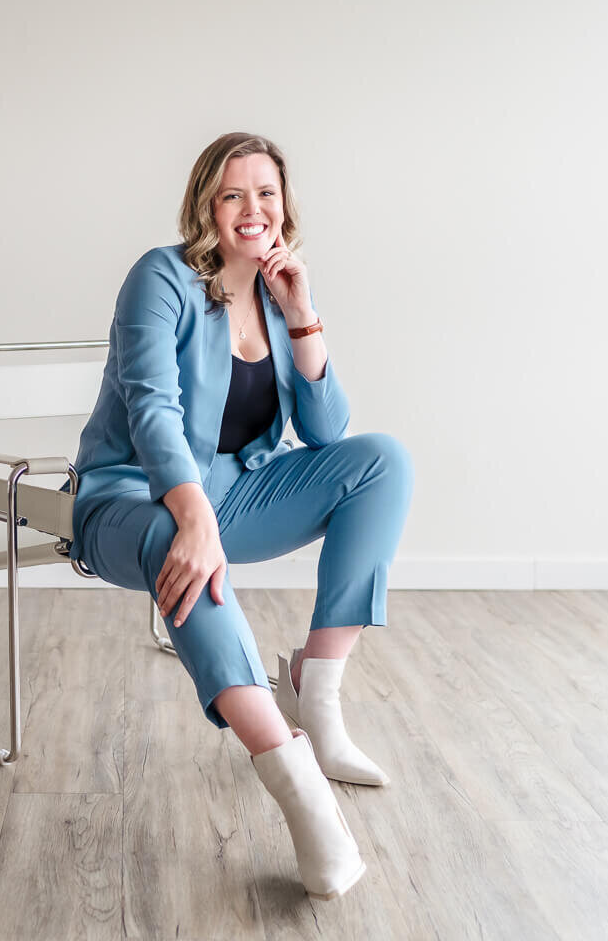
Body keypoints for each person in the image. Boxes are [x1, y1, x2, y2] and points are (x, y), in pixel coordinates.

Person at [67, 132, 415, 900]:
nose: (253, 209)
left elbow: (326, 433)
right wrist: (191, 516)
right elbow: (152, 409)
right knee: (178, 546)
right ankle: (301, 791)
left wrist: (302, 315)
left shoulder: (278, 287)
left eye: (266, 193)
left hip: (236, 495)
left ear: (285, 206)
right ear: (206, 206)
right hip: (128, 499)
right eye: (233, 194)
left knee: (382, 461)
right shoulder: (159, 278)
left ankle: (314, 695)